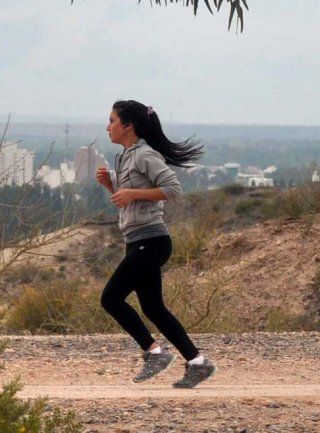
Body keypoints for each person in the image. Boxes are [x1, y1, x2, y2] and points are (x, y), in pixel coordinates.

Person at [96, 100, 215, 389]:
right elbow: (130, 198)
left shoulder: (145, 155)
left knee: (111, 299)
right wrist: (112, 186)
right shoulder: (125, 156)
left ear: (128, 126)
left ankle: (154, 353)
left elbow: (173, 189)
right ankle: (198, 363)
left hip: (152, 240)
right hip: (138, 240)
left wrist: (131, 193)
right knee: (153, 308)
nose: (107, 126)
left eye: (111, 120)